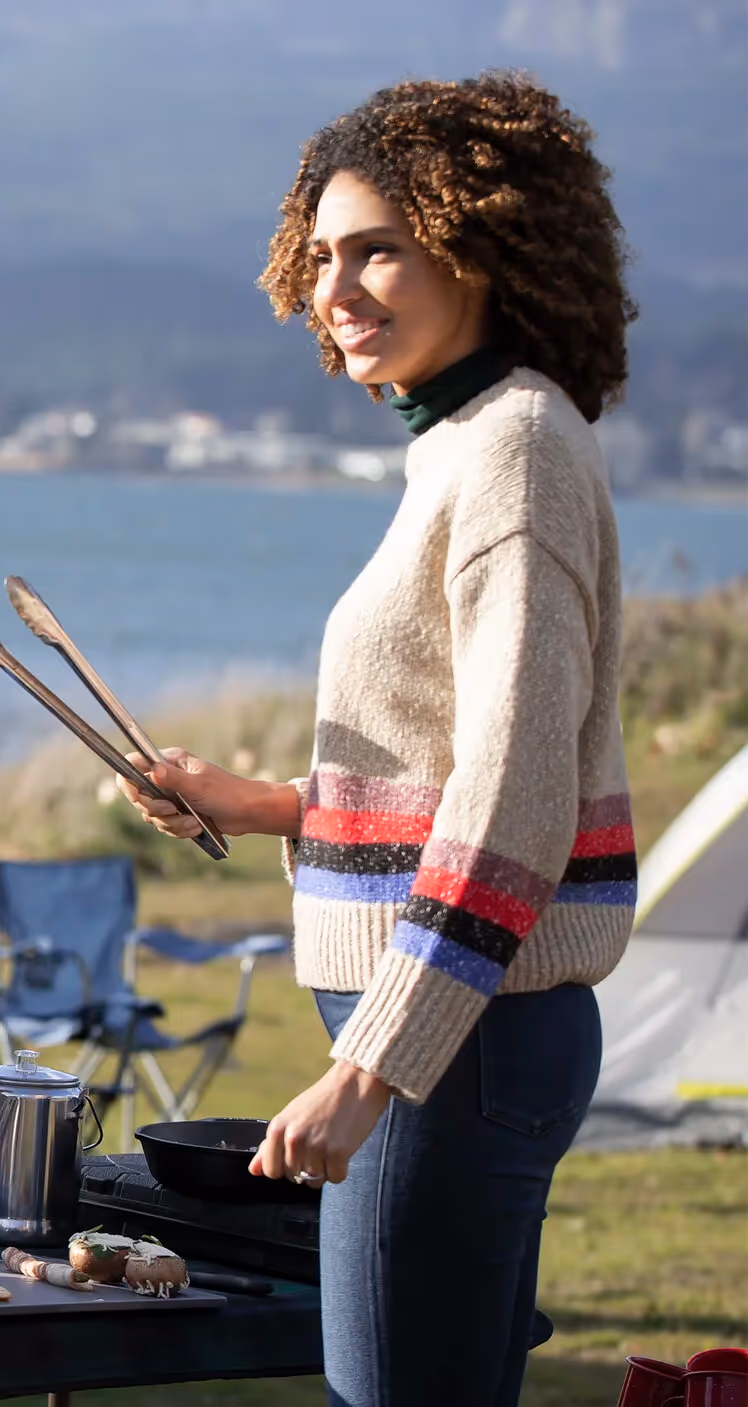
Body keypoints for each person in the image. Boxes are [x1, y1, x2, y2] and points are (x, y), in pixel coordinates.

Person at [118, 72, 636, 1407]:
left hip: (456, 1041)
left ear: (485, 245)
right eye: (324, 255)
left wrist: (372, 1070)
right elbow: (451, 756)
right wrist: (277, 803)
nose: (336, 287)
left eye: (379, 250)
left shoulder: (515, 445)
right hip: (460, 1031)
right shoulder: (469, 438)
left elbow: (518, 793)